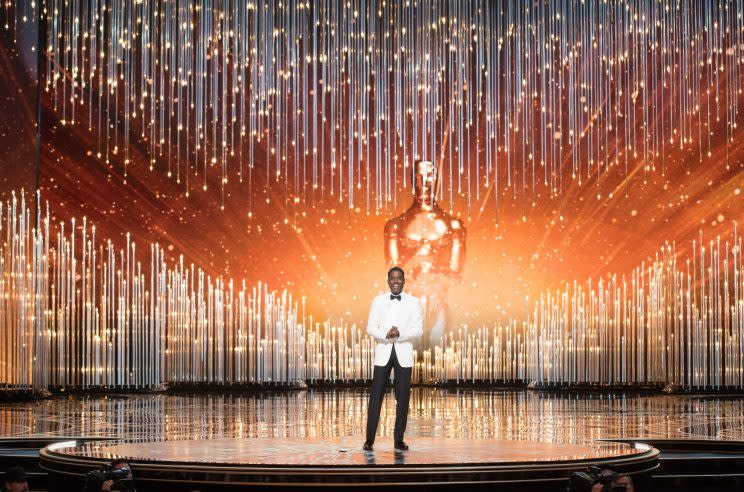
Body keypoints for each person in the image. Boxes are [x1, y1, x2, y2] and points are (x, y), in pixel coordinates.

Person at [384, 160, 466, 351]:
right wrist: (419, 261)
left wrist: (430, 276)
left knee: (437, 357)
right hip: (408, 306)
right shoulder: (395, 226)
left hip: (438, 303)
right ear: (412, 180)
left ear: (437, 180)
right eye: (420, 178)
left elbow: (455, 273)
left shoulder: (453, 226)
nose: (425, 183)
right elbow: (393, 272)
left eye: (430, 177)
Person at [363, 266, 423, 452]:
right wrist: (385, 334)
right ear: (388, 281)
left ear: (404, 281)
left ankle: (399, 440)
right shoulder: (378, 301)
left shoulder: (414, 302)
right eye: (392, 278)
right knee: (376, 398)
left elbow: (418, 329)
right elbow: (370, 327)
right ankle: (369, 441)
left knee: (403, 398)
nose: (396, 281)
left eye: (399, 278)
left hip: (404, 354)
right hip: (383, 352)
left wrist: (400, 333)